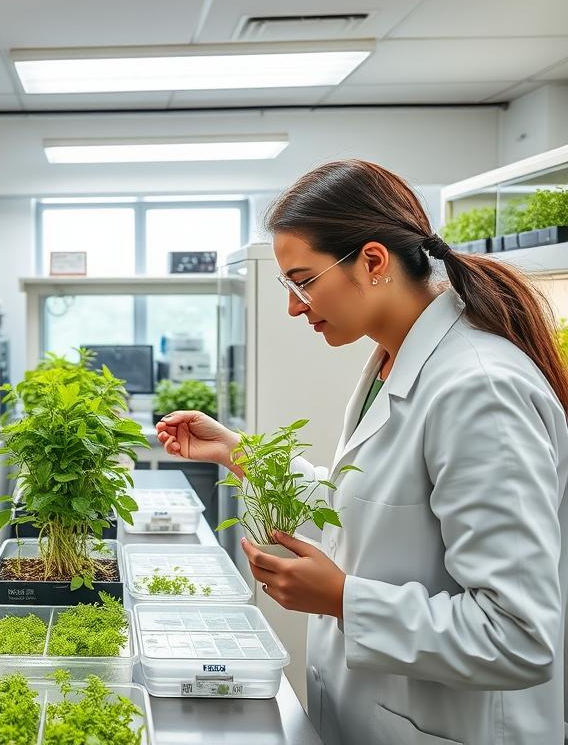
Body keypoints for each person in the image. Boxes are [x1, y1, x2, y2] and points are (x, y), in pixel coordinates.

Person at [157, 160, 568, 744]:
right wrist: (239, 452)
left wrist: (343, 599)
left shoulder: (479, 388)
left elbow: (517, 636)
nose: (295, 307)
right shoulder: (391, 360)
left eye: (303, 281)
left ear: (373, 262)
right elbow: (365, 501)